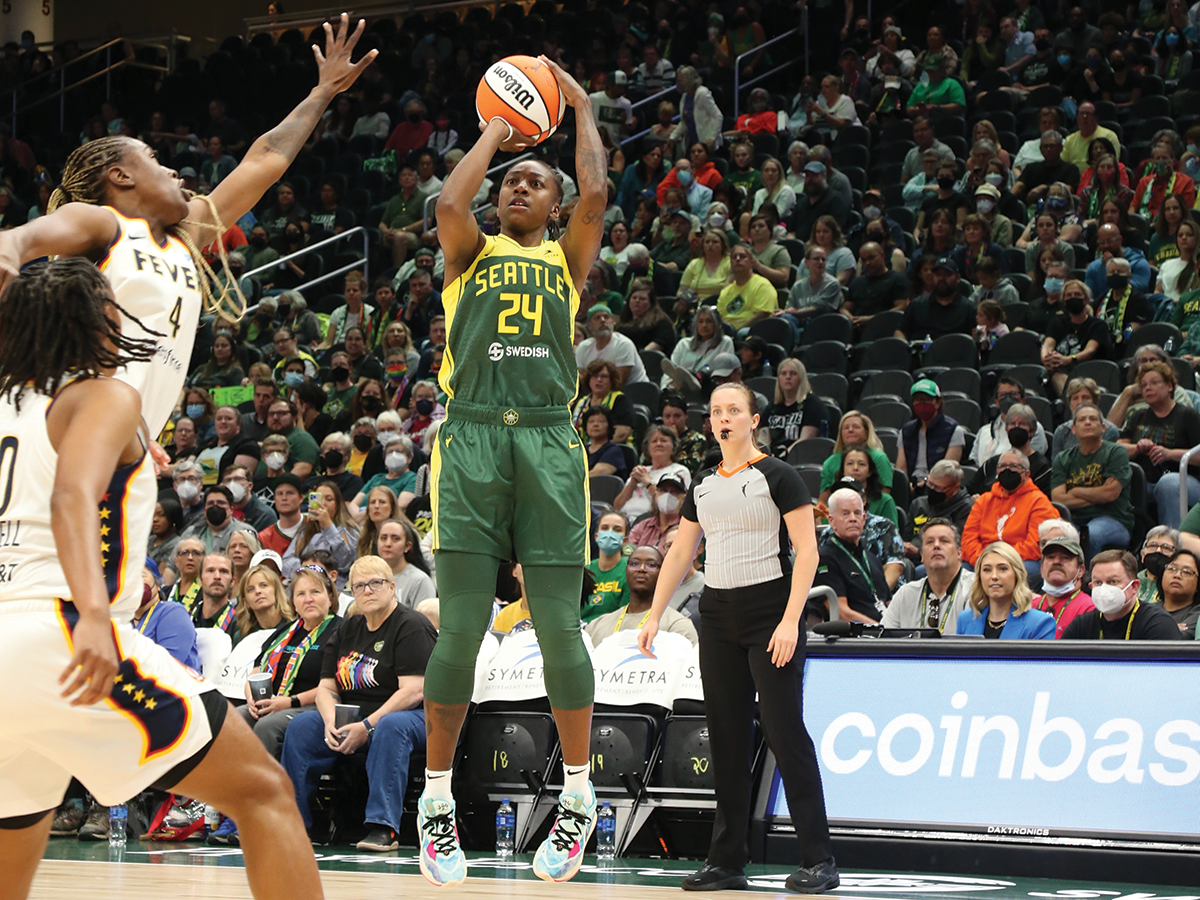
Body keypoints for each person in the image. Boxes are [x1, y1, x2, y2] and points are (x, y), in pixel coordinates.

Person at [0, 257, 325, 900]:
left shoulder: (10, 405)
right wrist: (94, 614)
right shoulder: (99, 392)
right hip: (63, 633)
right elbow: (71, 495)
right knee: (263, 793)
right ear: (96, 320)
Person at [417, 55, 605, 886]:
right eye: (512, 183)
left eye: (534, 182)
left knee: (560, 628)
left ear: (556, 206)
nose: (517, 190)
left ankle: (578, 795)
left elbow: (598, 195)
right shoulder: (469, 249)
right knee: (459, 630)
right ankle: (433, 805)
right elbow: (451, 200)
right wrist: (503, 119)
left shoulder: (566, 259)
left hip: (548, 444)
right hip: (469, 442)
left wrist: (582, 108)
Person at [639, 382, 838, 893]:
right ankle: (727, 861)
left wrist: (793, 620)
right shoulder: (702, 484)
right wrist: (654, 615)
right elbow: (682, 555)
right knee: (725, 737)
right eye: (716, 412)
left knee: (783, 730)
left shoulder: (779, 475)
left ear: (753, 420)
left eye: (734, 410)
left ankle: (819, 859)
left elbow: (808, 554)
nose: (723, 419)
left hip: (771, 611)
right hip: (718, 614)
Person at [280, 555, 437, 852]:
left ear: (392, 587)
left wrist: (367, 726)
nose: (367, 591)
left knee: (391, 726)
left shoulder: (411, 625)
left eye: (375, 583)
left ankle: (382, 827)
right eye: (359, 586)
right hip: (355, 717)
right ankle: (293, 824)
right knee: (302, 725)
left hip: (413, 717)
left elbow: (414, 691)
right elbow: (327, 688)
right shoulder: (347, 629)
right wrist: (329, 722)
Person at [1118, 361, 1200, 528]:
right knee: (1122, 482)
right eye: (1144, 385)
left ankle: (1173, 543)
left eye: (1154, 383)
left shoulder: (1187, 415)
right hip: (1146, 481)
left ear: (1170, 386)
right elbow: (1118, 448)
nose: (1148, 388)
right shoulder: (1139, 416)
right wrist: (1138, 447)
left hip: (1185, 481)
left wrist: (1169, 453)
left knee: (1168, 483)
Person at [1051, 402, 1135, 554]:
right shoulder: (1063, 458)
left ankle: (1089, 577)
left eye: (1093, 419)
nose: (1088, 422)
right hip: (1074, 520)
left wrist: (1075, 491)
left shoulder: (1116, 453)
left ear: (1103, 428)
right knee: (1056, 536)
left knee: (1090, 534)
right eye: (1082, 420)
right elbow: (1059, 500)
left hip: (1114, 519)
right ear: (1074, 429)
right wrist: (1099, 493)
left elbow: (1110, 494)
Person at [961, 451, 1058, 583]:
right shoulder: (983, 501)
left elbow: (1036, 546)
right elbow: (968, 539)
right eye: (1003, 466)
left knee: (1025, 570)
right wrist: (984, 560)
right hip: (983, 560)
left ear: (1026, 473)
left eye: (1014, 466)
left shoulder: (1039, 502)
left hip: (1019, 561)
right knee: (956, 570)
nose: (1007, 470)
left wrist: (1000, 560)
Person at [588, 545, 697, 646]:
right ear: (626, 570)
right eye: (634, 564)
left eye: (651, 565)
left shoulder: (677, 625)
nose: (642, 569)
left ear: (663, 572)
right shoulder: (596, 626)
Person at [1062, 550, 1184, 639]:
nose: (1104, 588)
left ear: (1134, 586)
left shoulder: (1158, 624)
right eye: (1098, 582)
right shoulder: (1081, 625)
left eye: (1113, 582)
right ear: (1091, 587)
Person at [882, 519, 973, 633]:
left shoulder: (974, 589)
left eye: (944, 541)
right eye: (930, 542)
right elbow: (884, 640)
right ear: (922, 556)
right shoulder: (905, 594)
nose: (936, 545)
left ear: (959, 553)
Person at [957, 542, 1056, 638]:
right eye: (987, 570)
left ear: (1017, 575)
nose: (994, 576)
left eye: (1003, 569)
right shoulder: (965, 619)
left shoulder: (1040, 623)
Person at [1041, 280, 1112, 397]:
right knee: (1053, 372)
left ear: (1086, 300)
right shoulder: (1057, 323)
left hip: (1089, 372)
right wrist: (1046, 358)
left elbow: (1090, 350)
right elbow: (1048, 344)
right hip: (1061, 370)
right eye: (1069, 295)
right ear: (1064, 301)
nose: (1073, 298)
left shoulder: (1098, 325)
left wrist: (1068, 359)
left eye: (1077, 295)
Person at [969, 404, 1053, 496]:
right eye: (1012, 424)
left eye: (1022, 424)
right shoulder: (992, 463)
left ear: (1032, 431)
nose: (1016, 427)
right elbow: (970, 490)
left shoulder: (1042, 467)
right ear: (1006, 429)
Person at [896, 380, 965, 488]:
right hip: (911, 486)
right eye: (917, 400)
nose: (922, 404)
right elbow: (901, 469)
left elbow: (948, 471)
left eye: (927, 400)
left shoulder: (954, 430)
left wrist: (925, 484)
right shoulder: (905, 431)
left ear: (937, 402)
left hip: (938, 486)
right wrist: (907, 486)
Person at [615, 425, 692, 519]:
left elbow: (670, 504)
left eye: (664, 440)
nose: (658, 444)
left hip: (653, 521)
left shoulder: (679, 471)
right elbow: (616, 507)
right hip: (625, 520)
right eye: (654, 441)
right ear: (648, 448)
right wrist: (632, 483)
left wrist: (647, 482)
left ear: (673, 447)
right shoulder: (641, 471)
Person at [818, 411, 895, 503]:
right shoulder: (830, 462)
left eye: (856, 427)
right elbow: (823, 500)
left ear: (866, 432)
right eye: (846, 428)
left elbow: (884, 495)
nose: (850, 430)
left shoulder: (879, 458)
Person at [895, 257, 976, 341]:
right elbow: (900, 331)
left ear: (958, 278)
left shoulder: (968, 308)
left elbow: (977, 337)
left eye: (947, 274)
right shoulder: (917, 304)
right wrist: (905, 347)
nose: (941, 278)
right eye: (938, 274)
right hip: (922, 351)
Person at [1030, 535, 1095, 637]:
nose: (1056, 562)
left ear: (1080, 571)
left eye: (1065, 558)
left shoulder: (1088, 609)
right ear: (1042, 569)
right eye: (1050, 557)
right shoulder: (1030, 606)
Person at [904, 461, 975, 554]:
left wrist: (919, 552)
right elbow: (906, 537)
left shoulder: (965, 508)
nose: (932, 489)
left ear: (955, 487)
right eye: (929, 484)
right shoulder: (918, 503)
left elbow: (957, 547)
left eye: (938, 488)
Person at [575, 303, 649, 386]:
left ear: (613, 322)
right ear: (589, 325)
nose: (602, 320)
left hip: (634, 392)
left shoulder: (624, 344)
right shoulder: (583, 347)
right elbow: (579, 377)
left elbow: (619, 381)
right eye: (597, 318)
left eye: (606, 317)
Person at [761, 359, 826, 450]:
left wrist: (783, 455)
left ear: (801, 378)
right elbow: (763, 440)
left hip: (799, 456)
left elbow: (805, 440)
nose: (788, 377)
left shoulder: (813, 404)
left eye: (793, 373)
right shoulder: (772, 407)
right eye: (783, 373)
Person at [1051, 377, 1121, 459]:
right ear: (1070, 404)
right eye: (1075, 398)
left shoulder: (1109, 430)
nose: (1080, 402)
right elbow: (1056, 467)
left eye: (1085, 397)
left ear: (1095, 402)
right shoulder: (1061, 431)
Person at [843, 242, 908, 328]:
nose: (868, 263)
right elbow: (845, 308)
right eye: (864, 260)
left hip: (884, 327)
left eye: (871, 258)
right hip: (857, 327)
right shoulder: (857, 282)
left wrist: (871, 319)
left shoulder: (897, 279)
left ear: (882, 255)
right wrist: (851, 318)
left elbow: (902, 307)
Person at [376, 518, 436, 608]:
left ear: (407, 546)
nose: (388, 543)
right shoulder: (369, 576)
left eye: (395, 539)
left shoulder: (420, 581)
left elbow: (425, 619)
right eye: (383, 538)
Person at [716, 244, 777, 332]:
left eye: (742, 256)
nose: (737, 259)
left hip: (751, 332)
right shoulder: (725, 291)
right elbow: (719, 317)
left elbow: (762, 315)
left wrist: (736, 331)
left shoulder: (762, 285)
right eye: (734, 257)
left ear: (752, 262)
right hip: (727, 333)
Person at [583, 512, 630, 622]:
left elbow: (624, 617)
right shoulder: (583, 571)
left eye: (617, 530)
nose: (609, 533)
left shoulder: (629, 573)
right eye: (604, 528)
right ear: (596, 536)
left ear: (625, 540)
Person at [1137, 526, 1180, 605]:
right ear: (1142, 555)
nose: (1158, 551)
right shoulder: (1130, 582)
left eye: (1166, 547)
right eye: (1152, 546)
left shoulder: (1176, 587)